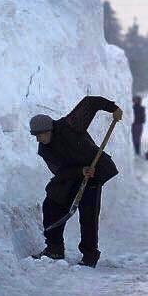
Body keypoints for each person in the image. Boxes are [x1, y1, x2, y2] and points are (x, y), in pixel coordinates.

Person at [29, 96, 122, 268]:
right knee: (51, 204)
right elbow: (59, 171)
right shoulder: (44, 149)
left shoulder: (71, 125)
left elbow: (90, 102)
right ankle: (54, 249)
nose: (38, 139)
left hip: (95, 172)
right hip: (72, 176)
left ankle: (90, 255)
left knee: (88, 215)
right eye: (36, 136)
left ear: (49, 130)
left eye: (40, 135)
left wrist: (113, 108)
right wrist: (80, 171)